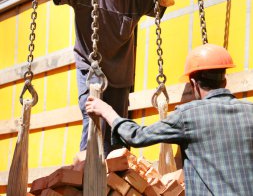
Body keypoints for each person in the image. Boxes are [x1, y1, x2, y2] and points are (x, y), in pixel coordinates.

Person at [29, 0, 175, 156]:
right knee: (93, 119)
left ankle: (116, 181)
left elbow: (166, 1)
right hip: (91, 73)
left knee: (118, 133)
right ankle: (87, 176)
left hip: (120, 78)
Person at [86, 43, 253, 195]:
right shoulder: (250, 111)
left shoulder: (188, 115)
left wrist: (107, 111)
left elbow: (137, 136)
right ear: (225, 81)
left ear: (193, 83)